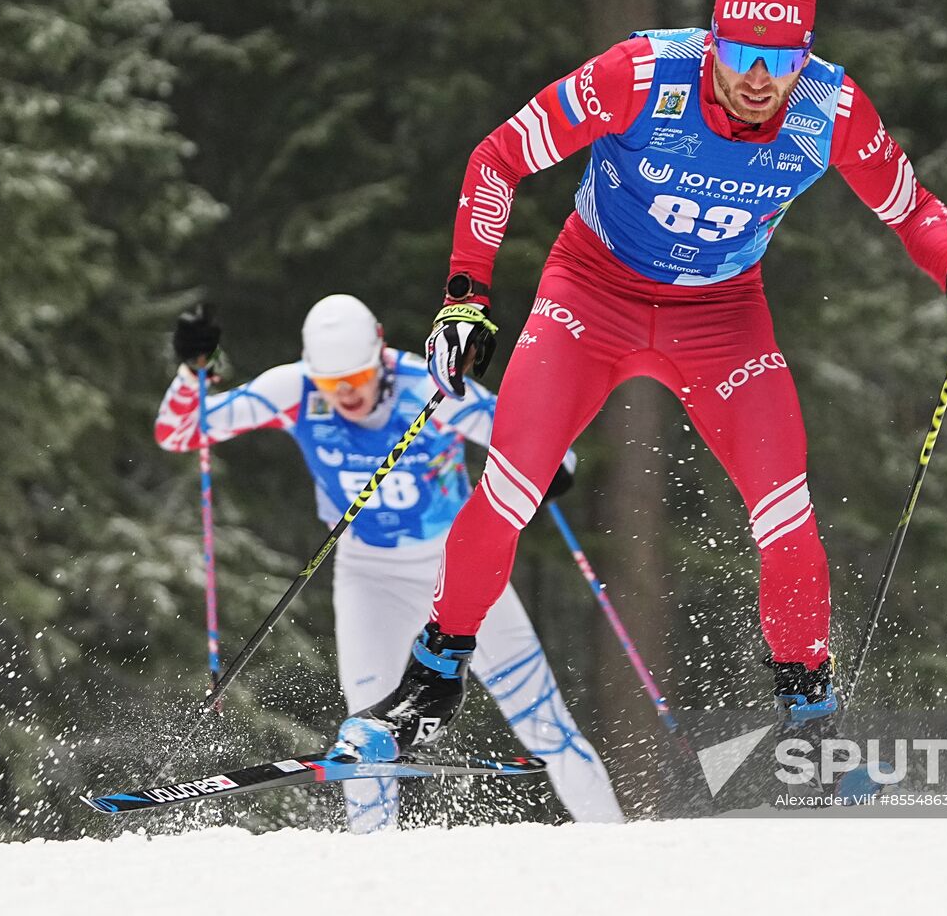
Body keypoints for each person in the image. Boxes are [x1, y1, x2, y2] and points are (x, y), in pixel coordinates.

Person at [331, 0, 947, 763]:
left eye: (782, 61)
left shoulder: (827, 109)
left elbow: (912, 208)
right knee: (510, 485)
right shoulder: (643, 74)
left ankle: (811, 716)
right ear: (714, 40)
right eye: (741, 55)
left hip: (722, 318)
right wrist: (465, 296)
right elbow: (497, 158)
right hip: (591, 293)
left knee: (785, 512)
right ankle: (432, 680)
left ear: (806, 57)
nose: (759, 79)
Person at [155, 294, 623, 831]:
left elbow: (535, 438)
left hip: (459, 573)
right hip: (367, 577)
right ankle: (372, 872)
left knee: (545, 723)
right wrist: (192, 370)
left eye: (355, 377)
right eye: (332, 385)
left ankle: (615, 844)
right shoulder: (295, 389)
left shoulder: (431, 386)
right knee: (365, 739)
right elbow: (182, 431)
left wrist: (549, 466)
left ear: (379, 353)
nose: (346, 394)